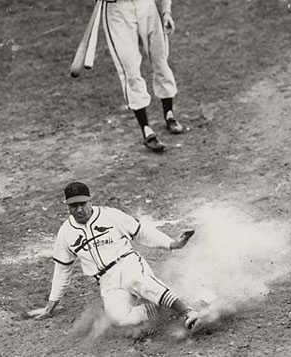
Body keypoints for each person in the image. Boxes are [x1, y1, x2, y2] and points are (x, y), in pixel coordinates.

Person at [27, 181, 201, 330]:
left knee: (136, 279)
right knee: (119, 319)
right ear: (67, 206)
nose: (79, 209)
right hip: (106, 280)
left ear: (90, 201)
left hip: (127, 263)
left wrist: (172, 244)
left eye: (83, 203)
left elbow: (142, 232)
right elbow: (62, 270)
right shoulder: (65, 233)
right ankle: (168, 309)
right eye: (74, 206)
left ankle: (187, 311)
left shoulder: (110, 215)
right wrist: (51, 306)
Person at [101, 0, 185, 152]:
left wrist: (166, 11)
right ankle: (146, 129)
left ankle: (169, 114)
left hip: (146, 6)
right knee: (130, 71)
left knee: (160, 60)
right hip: (118, 11)